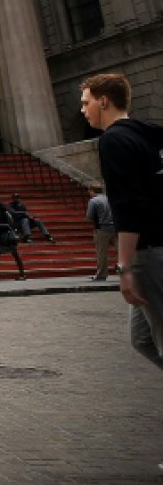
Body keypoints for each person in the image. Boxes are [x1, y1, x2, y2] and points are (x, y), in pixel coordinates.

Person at [80, 73, 163, 370]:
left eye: (86, 103)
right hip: (154, 243)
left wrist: (125, 266)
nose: (83, 110)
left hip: (149, 250)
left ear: (104, 101)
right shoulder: (147, 135)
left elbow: (129, 207)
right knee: (142, 339)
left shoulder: (114, 140)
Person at [85, 184, 117, 282]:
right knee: (120, 250)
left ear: (92, 191)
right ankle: (129, 271)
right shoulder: (110, 198)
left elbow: (89, 216)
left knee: (102, 253)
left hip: (102, 228)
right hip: (115, 227)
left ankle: (101, 274)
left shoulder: (93, 201)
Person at [0, 201, 27, 281]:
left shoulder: (5, 214)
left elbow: (11, 225)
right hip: (1, 238)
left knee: (15, 255)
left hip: (7, 237)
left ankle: (22, 274)